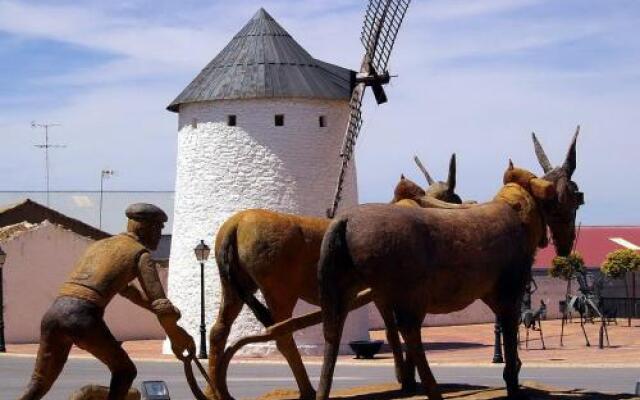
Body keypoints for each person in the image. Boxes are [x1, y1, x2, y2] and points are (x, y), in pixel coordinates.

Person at [18, 203, 195, 400]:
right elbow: (161, 306)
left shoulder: (100, 245)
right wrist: (177, 334)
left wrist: (160, 310)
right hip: (82, 316)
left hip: (54, 313)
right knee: (125, 371)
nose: (159, 235)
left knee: (39, 383)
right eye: (158, 228)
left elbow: (128, 292)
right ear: (146, 227)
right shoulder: (140, 254)